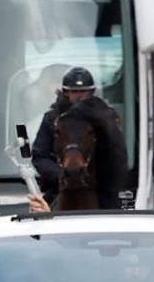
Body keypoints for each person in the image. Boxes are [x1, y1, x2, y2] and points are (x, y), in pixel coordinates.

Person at [31, 67, 128, 210]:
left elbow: (117, 154)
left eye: (83, 92)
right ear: (66, 93)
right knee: (41, 211)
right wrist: (62, 174)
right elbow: (40, 156)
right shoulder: (52, 118)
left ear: (92, 93)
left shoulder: (106, 118)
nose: (79, 96)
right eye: (74, 92)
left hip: (101, 189)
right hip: (60, 186)